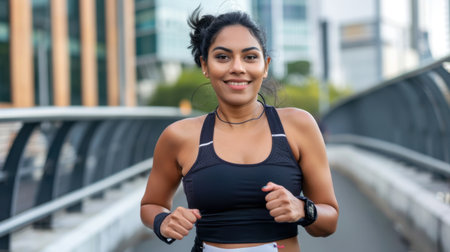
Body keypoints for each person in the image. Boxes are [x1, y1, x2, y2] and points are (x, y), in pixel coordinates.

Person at [140, 7, 339, 252]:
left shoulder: (298, 125)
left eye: (250, 57)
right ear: (204, 65)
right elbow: (150, 204)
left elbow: (329, 221)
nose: (237, 67)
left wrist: (303, 209)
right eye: (223, 57)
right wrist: (163, 221)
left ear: (265, 66)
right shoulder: (178, 136)